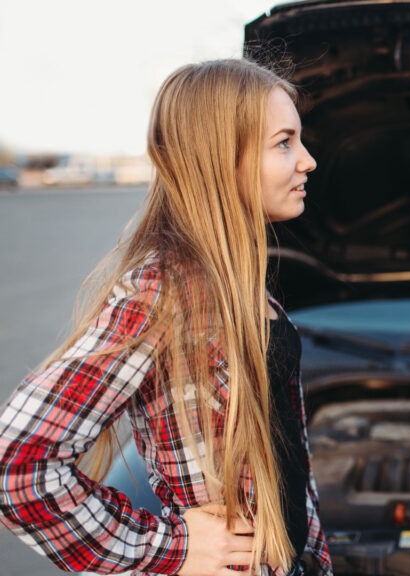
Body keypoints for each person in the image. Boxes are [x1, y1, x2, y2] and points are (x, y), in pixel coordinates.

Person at [0, 59, 331, 576]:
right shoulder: (166, 293)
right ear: (223, 158)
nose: (308, 160)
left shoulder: (237, 284)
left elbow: (285, 461)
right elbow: (16, 467)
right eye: (285, 142)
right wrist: (169, 550)